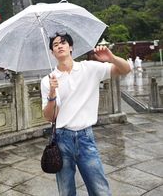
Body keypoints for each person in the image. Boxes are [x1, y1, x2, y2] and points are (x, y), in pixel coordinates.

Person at [40, 32, 130, 196]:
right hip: (61, 139)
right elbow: (49, 117)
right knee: (66, 191)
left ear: (71, 47)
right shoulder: (48, 80)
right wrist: (52, 92)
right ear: (52, 53)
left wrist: (111, 57)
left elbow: (125, 69)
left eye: (63, 42)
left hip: (85, 137)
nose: (60, 46)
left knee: (100, 189)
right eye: (55, 45)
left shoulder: (89, 68)